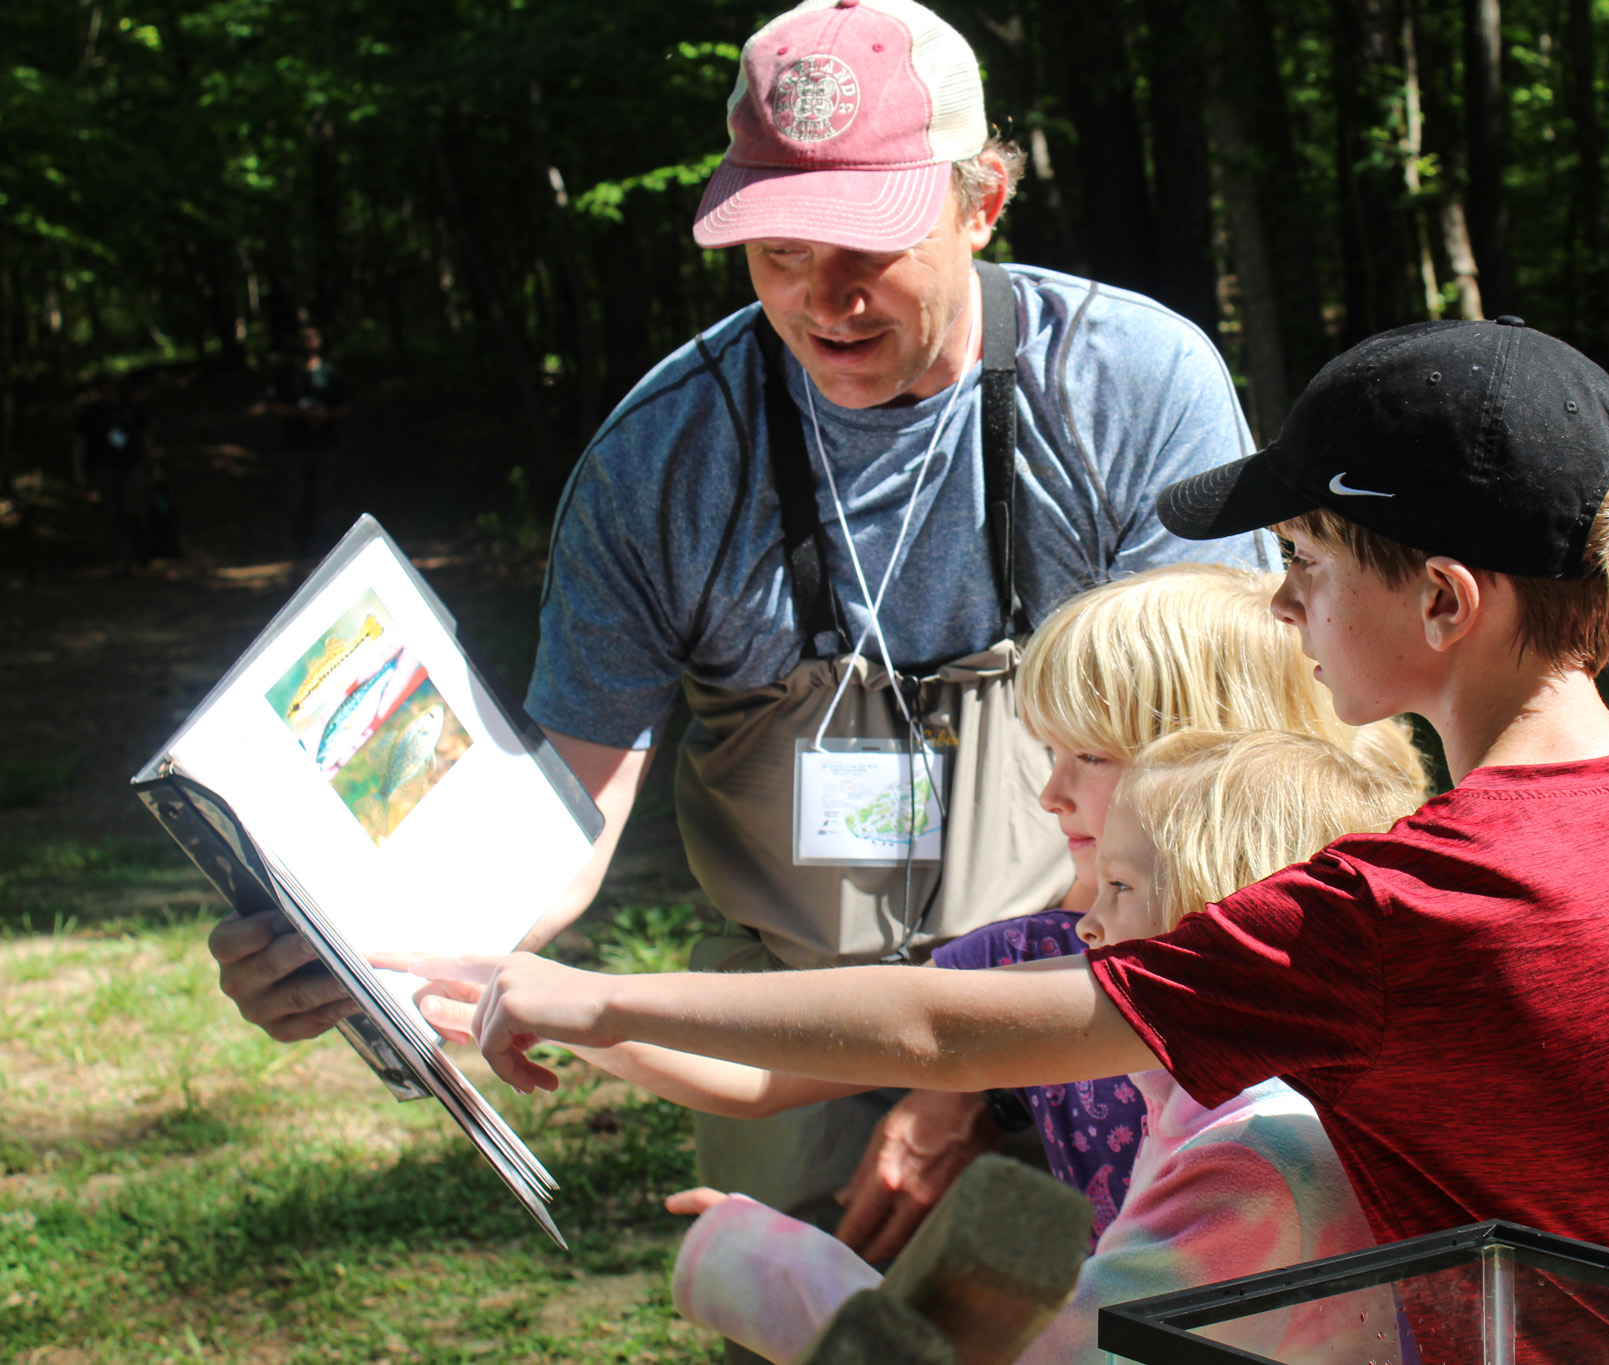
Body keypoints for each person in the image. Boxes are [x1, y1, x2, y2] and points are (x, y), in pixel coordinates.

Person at [399, 320, 1609, 1356]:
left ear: (1444, 604)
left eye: (1311, 558)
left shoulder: (1406, 906)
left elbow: (937, 1023)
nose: (1284, 597)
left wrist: (585, 998)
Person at [206, 0, 1267, 1284]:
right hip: (777, 1018)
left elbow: (1214, 790)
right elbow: (565, 821)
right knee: (809, 1318)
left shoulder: (1131, 389)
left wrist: (965, 1078)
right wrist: (367, 955)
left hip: (1090, 989)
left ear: (980, 198)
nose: (822, 297)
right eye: (774, 246)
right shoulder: (657, 461)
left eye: (866, 241)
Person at [389, 564, 1425, 1247]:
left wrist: (599, 1004)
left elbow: (926, 1030)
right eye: (1047, 754)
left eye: (1089, 759)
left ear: (1210, 764)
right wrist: (547, 1006)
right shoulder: (1047, 949)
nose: (1048, 794)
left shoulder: (1350, 937)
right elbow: (762, 1068)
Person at [661, 729, 1415, 1365]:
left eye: (1118, 887)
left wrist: (763, 1262)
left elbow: (1064, 1357)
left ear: (1215, 924)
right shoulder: (1233, 1112)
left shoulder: (1253, 1159)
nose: (1087, 925)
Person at [259, 323, 351, 556]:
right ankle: (300, 547)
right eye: (303, 339)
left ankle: (327, 549)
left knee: (326, 499)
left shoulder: (330, 372)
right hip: (294, 447)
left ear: (319, 341)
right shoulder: (285, 374)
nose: (307, 343)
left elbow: (347, 405)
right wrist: (299, 413)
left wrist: (326, 415)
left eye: (312, 338)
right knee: (296, 499)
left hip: (326, 446)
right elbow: (272, 406)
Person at [71, 376, 160, 569]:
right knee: (113, 512)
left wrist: (153, 465)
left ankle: (140, 553)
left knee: (134, 509)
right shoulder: (92, 413)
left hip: (132, 466)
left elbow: (146, 437)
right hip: (105, 469)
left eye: (110, 386)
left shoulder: (131, 409)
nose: (108, 391)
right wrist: (79, 470)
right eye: (103, 387)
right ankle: (121, 557)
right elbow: (80, 442)